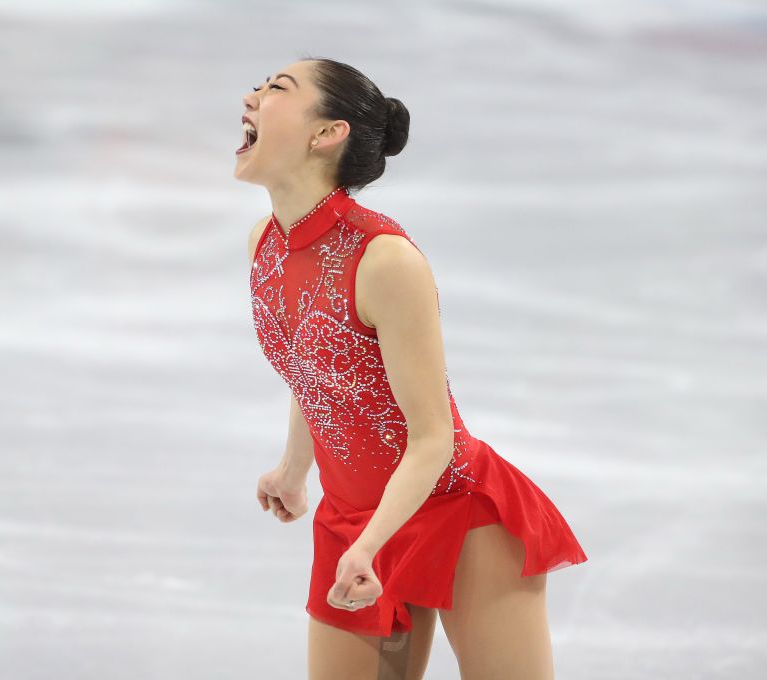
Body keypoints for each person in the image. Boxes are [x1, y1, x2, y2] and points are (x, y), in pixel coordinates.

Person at [237, 56, 588, 680]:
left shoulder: (384, 260)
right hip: (352, 517)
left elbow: (434, 438)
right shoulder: (265, 242)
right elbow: (314, 369)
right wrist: (295, 471)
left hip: (454, 508)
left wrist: (371, 545)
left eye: (276, 89)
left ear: (326, 133)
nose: (253, 96)